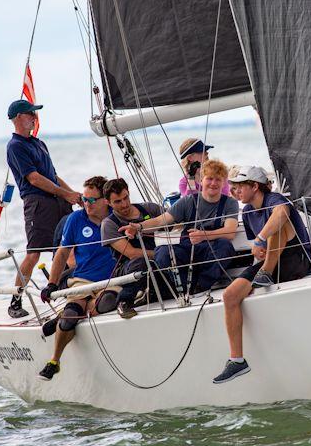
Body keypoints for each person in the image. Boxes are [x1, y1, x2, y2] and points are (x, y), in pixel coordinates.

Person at [213, 166, 311, 384]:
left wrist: (260, 239)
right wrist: (259, 246)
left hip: (294, 260)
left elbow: (282, 214)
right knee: (230, 296)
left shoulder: (273, 199)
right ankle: (237, 360)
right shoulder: (248, 212)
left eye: (239, 187)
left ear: (254, 186)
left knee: (277, 221)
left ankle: (266, 273)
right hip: (270, 259)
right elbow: (260, 245)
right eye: (233, 188)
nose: (234, 192)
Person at [5, 99, 81, 319]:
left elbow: (53, 175)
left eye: (34, 113)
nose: (34, 117)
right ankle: (15, 301)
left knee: (70, 245)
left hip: (58, 200)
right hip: (38, 203)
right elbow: (34, 178)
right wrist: (65, 194)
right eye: (30, 113)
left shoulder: (39, 143)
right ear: (18, 117)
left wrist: (74, 195)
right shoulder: (15, 146)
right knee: (34, 253)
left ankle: (72, 289)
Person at [37, 176, 117, 381]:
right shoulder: (75, 220)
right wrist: (51, 285)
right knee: (67, 322)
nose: (86, 204)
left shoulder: (116, 216)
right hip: (83, 281)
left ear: (105, 200)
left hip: (113, 280)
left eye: (92, 200)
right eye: (84, 199)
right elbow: (62, 254)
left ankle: (70, 311)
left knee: (107, 302)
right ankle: (54, 361)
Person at [123, 159, 238, 295]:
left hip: (211, 248)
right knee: (162, 252)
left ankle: (201, 285)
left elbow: (230, 231)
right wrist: (139, 227)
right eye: (210, 179)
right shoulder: (188, 201)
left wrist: (203, 235)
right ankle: (183, 288)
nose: (213, 183)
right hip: (188, 247)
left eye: (218, 180)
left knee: (225, 247)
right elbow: (161, 220)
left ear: (224, 182)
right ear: (201, 180)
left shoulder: (230, 203)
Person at [99, 178, 163, 319]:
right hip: (128, 267)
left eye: (126, 197)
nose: (124, 204)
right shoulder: (109, 224)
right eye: (118, 201)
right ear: (107, 202)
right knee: (140, 261)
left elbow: (176, 222)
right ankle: (124, 302)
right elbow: (131, 253)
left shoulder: (150, 209)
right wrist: (163, 254)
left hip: (159, 259)